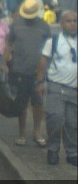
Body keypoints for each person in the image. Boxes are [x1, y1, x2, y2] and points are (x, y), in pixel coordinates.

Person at [2, 0, 51, 147]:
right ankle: (22, 134)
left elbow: (49, 49)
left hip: (39, 72)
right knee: (21, 104)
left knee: (38, 104)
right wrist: (4, 62)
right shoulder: (16, 25)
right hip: (19, 70)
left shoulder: (45, 26)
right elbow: (9, 45)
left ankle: (37, 132)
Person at [36, 10, 77, 166]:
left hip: (74, 89)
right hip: (56, 86)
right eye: (69, 21)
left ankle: (72, 153)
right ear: (61, 24)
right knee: (56, 119)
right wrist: (39, 82)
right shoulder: (53, 40)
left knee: (73, 123)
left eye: (75, 20)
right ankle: (53, 149)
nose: (72, 24)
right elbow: (43, 61)